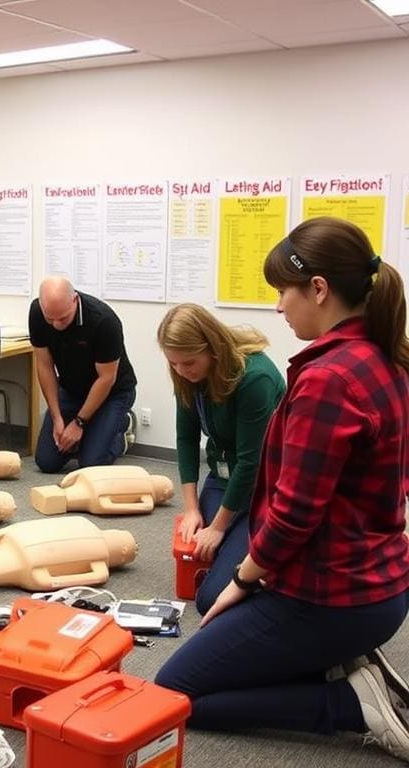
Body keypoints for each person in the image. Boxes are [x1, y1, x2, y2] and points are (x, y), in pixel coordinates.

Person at [155, 217, 409, 761]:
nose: (277, 308)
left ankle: (348, 703)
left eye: (282, 292)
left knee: (171, 692)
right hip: (376, 585)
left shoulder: (328, 377)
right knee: (217, 632)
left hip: (333, 597)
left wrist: (244, 580)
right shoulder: (385, 355)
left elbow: (294, 514)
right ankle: (331, 661)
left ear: (318, 289)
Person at [157, 303, 285, 615]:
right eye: (174, 364)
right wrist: (190, 508)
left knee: (210, 597)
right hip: (224, 478)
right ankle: (251, 552)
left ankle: (272, 563)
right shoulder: (186, 374)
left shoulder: (255, 377)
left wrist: (217, 527)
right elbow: (186, 439)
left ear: (212, 348)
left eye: (188, 362)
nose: (182, 371)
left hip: (268, 484)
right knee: (204, 545)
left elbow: (250, 462)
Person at [29, 276, 137, 472]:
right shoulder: (37, 312)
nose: (56, 325)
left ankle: (122, 430)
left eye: (63, 317)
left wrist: (79, 423)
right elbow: (45, 366)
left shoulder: (103, 321)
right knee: (46, 462)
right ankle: (93, 434)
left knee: (90, 465)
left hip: (112, 392)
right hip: (71, 390)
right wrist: (57, 417)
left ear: (75, 300)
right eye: (49, 318)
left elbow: (106, 378)